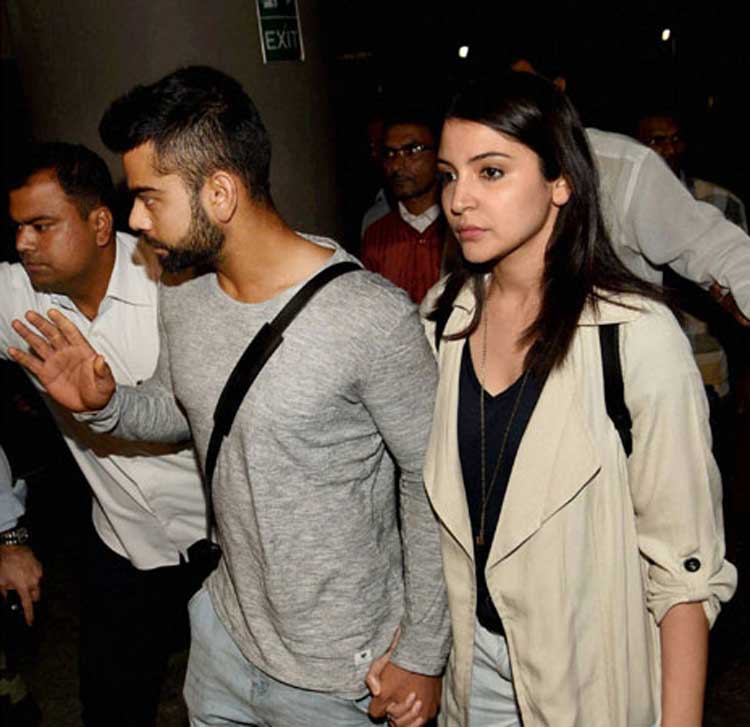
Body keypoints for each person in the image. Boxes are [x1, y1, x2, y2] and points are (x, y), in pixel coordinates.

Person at [9, 66, 450, 727]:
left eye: (149, 198)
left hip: (341, 671)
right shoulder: (182, 291)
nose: (134, 219)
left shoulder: (369, 317)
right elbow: (179, 408)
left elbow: (432, 478)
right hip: (224, 638)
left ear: (219, 193)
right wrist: (107, 403)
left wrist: (423, 650)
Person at [374, 72, 737, 727]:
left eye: (491, 172)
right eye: (451, 175)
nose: (459, 199)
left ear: (560, 181)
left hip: (589, 681)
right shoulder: (440, 320)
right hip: (471, 674)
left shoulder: (634, 337)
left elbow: (684, 573)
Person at [1, 142, 207, 727]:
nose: (23, 243)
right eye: (17, 227)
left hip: (227, 539)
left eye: (41, 226)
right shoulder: (18, 297)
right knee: (111, 705)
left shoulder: (177, 282)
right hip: (123, 539)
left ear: (98, 224)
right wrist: (5, 530)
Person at [508, 56, 750, 329]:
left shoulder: (619, 167)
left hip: (620, 349)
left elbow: (709, 243)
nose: (505, 102)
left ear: (557, 88)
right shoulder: (471, 180)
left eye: (519, 85)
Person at [361, 111, 445, 303]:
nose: (397, 165)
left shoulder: (460, 231)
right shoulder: (376, 236)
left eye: (412, 151)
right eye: (390, 154)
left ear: (439, 155)